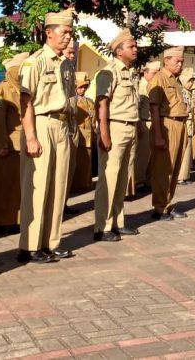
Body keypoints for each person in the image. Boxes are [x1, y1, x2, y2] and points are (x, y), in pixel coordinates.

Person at [18, 10, 77, 264]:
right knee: (38, 186)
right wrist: (31, 136)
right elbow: (25, 101)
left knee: (58, 186)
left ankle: (51, 242)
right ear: (48, 33)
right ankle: (30, 246)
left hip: (62, 126)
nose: (67, 37)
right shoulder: (36, 62)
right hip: (41, 124)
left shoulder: (65, 63)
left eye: (70, 33)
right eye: (63, 32)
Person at [92, 29, 142, 242]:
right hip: (115, 128)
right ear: (119, 51)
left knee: (122, 178)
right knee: (109, 178)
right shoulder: (108, 72)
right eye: (131, 47)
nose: (135, 49)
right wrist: (104, 134)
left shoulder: (130, 72)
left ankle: (117, 222)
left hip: (130, 127)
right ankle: (101, 226)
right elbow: (101, 104)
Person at [0, 52, 29, 235]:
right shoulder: (2, 91)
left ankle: (15, 219)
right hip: (8, 146)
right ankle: (3, 221)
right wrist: (2, 143)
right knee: (4, 186)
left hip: (21, 144)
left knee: (16, 186)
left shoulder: (22, 90)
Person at [148, 46, 189, 220]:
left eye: (181, 61)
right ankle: (159, 207)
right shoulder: (159, 78)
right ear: (166, 60)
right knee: (164, 168)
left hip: (179, 124)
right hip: (167, 124)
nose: (180, 64)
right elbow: (154, 108)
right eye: (176, 61)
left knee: (175, 166)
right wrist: (158, 135)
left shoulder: (175, 80)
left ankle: (167, 202)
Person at [132, 61, 161, 195]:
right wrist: (138, 125)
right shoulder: (140, 86)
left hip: (153, 122)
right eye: (154, 73)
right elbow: (136, 107)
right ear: (146, 72)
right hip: (143, 122)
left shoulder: (152, 86)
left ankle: (148, 180)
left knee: (151, 155)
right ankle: (138, 181)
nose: (156, 75)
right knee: (142, 155)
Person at [68, 72, 95, 196]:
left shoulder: (89, 101)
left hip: (89, 134)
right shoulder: (71, 101)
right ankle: (76, 185)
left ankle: (86, 183)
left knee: (87, 159)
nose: (82, 89)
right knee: (77, 160)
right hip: (78, 134)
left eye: (85, 87)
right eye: (80, 87)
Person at [178, 67, 195, 185]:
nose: (191, 84)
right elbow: (186, 109)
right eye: (189, 81)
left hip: (190, 123)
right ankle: (181, 177)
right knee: (185, 151)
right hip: (185, 123)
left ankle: (184, 175)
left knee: (188, 151)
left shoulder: (188, 92)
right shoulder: (182, 92)